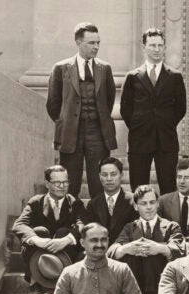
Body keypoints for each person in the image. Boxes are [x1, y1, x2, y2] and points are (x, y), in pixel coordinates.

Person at [46, 22, 117, 198]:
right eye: (91, 43)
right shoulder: (61, 68)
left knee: (98, 184)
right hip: (71, 133)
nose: (96, 47)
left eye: (98, 42)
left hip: (98, 133)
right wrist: (67, 121)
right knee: (69, 183)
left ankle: (98, 223)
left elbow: (109, 100)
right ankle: (70, 223)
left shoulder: (104, 68)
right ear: (78, 42)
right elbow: (53, 104)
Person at [120, 28, 187, 194]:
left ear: (164, 47)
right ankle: (139, 219)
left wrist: (166, 123)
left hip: (166, 139)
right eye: (152, 45)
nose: (156, 49)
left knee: (168, 186)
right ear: (144, 48)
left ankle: (167, 219)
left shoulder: (175, 76)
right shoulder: (132, 76)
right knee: (138, 185)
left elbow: (181, 108)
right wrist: (140, 124)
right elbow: (125, 109)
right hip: (139, 138)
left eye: (160, 45)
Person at [107, 185, 185, 294]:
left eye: (152, 202)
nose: (149, 207)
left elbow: (180, 250)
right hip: (136, 279)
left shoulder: (171, 226)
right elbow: (112, 251)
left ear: (157, 204)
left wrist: (160, 248)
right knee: (131, 252)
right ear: (136, 207)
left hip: (162, 281)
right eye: (143, 203)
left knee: (153, 254)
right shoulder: (130, 228)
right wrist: (127, 248)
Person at [12, 165, 85, 294]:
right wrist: (37, 240)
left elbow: (83, 224)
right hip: (39, 253)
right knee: (38, 231)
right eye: (57, 182)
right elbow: (19, 224)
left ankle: (56, 284)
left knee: (64, 232)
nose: (62, 186)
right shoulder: (36, 202)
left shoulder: (75, 203)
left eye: (65, 182)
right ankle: (36, 284)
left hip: (64, 254)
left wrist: (67, 239)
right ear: (47, 184)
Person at [84, 157, 137, 245]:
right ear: (99, 176)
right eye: (104, 174)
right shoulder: (93, 204)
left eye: (113, 174)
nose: (109, 179)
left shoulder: (132, 202)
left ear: (122, 175)